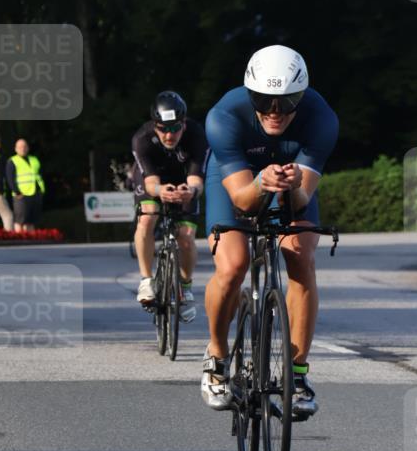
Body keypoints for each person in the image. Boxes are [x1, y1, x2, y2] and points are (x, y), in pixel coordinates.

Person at [202, 44, 338, 418]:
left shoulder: (321, 119)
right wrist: (263, 183)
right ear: (250, 94)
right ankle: (216, 356)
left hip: (290, 182)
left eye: (286, 101)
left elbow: (299, 202)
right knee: (232, 266)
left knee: (301, 256)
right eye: (264, 100)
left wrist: (293, 186)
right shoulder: (224, 116)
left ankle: (296, 375)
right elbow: (243, 202)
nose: (274, 112)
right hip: (241, 180)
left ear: (302, 96)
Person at [131, 91, 208, 322]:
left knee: (185, 237)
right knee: (147, 217)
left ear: (183, 124)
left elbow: (197, 181)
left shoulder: (196, 135)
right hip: (153, 181)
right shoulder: (142, 138)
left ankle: (184, 287)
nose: (168, 134)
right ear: (154, 126)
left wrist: (190, 192)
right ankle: (146, 280)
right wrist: (160, 192)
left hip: (185, 181)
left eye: (175, 128)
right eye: (162, 128)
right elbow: (151, 182)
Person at [6, 139, 45, 232]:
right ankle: (19, 240)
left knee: (31, 220)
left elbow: (39, 175)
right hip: (21, 195)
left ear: (28, 148)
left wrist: (41, 190)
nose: (22, 149)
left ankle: (31, 241)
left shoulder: (34, 159)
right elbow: (10, 178)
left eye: (24, 146)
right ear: (16, 149)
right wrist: (17, 192)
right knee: (20, 219)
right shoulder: (13, 161)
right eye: (20, 147)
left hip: (35, 193)